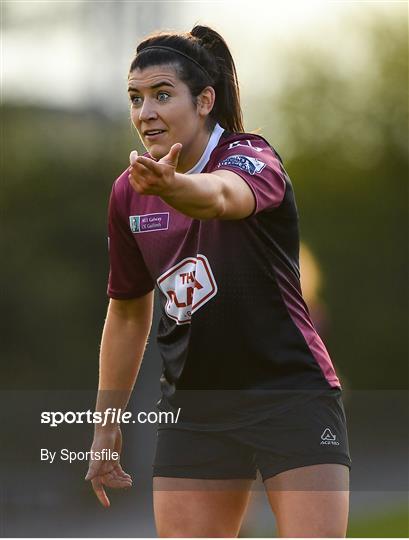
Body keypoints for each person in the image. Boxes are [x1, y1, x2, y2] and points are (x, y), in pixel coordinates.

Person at [85, 25, 351, 537]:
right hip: (195, 411)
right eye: (136, 99)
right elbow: (126, 311)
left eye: (163, 95)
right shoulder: (129, 193)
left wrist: (174, 185)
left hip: (290, 396)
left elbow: (221, 198)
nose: (146, 113)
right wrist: (106, 422)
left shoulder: (251, 157)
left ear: (205, 100)